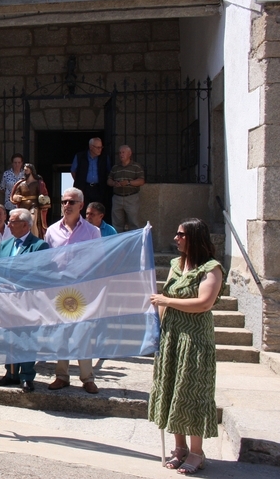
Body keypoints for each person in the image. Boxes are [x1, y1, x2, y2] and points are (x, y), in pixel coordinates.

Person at [148, 218, 223, 475]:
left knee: (191, 392)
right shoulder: (176, 265)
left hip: (194, 339)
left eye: (181, 234)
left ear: (194, 237)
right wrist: (155, 331)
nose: (176, 238)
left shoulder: (211, 269)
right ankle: (179, 447)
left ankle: (196, 451)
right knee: (171, 388)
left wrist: (167, 300)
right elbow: (162, 299)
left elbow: (204, 303)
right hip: (171, 336)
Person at [44, 187, 101, 393]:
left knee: (83, 333)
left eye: (71, 202)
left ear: (81, 205)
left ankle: (87, 377)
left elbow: (97, 261)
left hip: (82, 290)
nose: (66, 205)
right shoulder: (51, 231)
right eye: (64, 202)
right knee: (61, 333)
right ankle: (61, 376)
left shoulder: (93, 232)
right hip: (59, 291)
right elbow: (47, 261)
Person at [0, 208, 49, 392]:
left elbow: (39, 272)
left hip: (27, 301)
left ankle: (26, 375)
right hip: (7, 301)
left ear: (25, 225)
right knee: (9, 337)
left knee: (26, 338)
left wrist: (17, 286)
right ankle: (11, 373)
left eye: (13, 221)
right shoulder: (5, 244)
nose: (8, 224)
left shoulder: (39, 246)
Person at [107, 145, 145, 232]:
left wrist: (128, 182)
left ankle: (134, 244)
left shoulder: (136, 167)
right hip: (117, 198)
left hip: (131, 198)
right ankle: (119, 244)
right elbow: (109, 180)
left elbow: (141, 181)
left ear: (129, 153)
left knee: (133, 223)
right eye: (120, 153)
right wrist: (114, 183)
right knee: (117, 224)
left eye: (123, 152)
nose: (121, 154)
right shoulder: (115, 167)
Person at [10, 163, 50, 238]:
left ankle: (35, 239)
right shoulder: (21, 184)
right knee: (21, 223)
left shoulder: (38, 183)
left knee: (32, 221)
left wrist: (42, 198)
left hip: (33, 205)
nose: (25, 172)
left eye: (27, 170)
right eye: (24, 170)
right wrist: (16, 197)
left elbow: (44, 194)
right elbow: (14, 195)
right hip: (23, 206)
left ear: (31, 171)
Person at [71, 137, 109, 214]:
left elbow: (109, 172)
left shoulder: (104, 157)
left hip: (99, 189)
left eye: (101, 147)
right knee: (83, 210)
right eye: (98, 147)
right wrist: (80, 181)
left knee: (98, 211)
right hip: (84, 188)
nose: (100, 149)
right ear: (91, 147)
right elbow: (73, 171)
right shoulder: (80, 156)